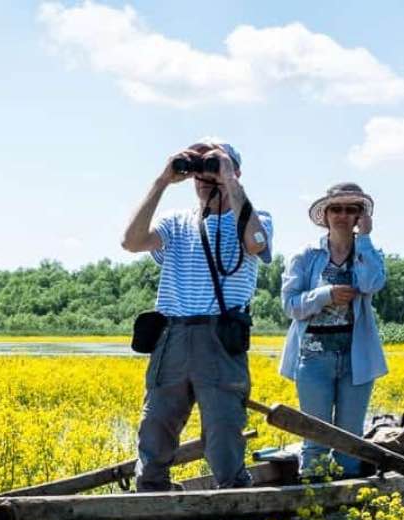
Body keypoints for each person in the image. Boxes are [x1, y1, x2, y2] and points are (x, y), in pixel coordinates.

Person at [121, 140, 274, 491]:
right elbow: (130, 241)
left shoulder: (253, 218)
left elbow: (257, 243)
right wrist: (162, 181)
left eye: (214, 168)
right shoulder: (176, 223)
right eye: (200, 171)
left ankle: (233, 495)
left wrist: (229, 179)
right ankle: (151, 493)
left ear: (235, 172)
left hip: (219, 337)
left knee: (223, 425)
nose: (205, 178)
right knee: (157, 421)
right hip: (172, 334)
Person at [280, 182, 388, 477]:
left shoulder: (370, 254)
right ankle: (312, 501)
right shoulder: (306, 256)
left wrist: (364, 239)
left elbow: (370, 284)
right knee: (315, 438)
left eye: (351, 209)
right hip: (313, 358)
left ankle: (344, 507)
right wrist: (325, 295)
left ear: (359, 217)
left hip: (356, 358)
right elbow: (290, 305)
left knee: (349, 441)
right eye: (336, 209)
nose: (342, 215)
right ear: (325, 215)